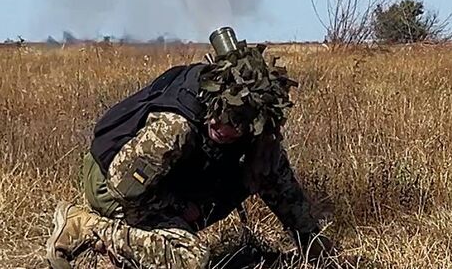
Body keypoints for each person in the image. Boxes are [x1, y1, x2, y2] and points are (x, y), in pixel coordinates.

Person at [45, 28, 334, 268]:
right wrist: (180, 208)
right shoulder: (174, 128)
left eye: (236, 127)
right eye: (221, 117)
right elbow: (124, 188)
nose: (223, 128)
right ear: (215, 100)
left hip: (160, 177)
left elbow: (277, 179)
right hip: (111, 183)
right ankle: (85, 225)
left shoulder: (256, 124)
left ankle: (154, 237)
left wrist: (313, 246)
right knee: (191, 259)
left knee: (262, 166)